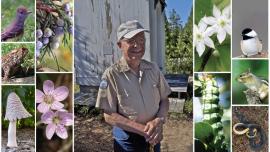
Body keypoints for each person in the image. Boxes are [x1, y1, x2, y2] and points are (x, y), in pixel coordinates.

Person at [96, 20, 171, 152]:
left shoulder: (153, 69)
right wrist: (144, 130)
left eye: (142, 40)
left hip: (154, 135)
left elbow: (164, 99)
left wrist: (158, 120)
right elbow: (108, 115)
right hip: (128, 142)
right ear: (120, 45)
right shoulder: (111, 74)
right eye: (131, 41)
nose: (138, 45)